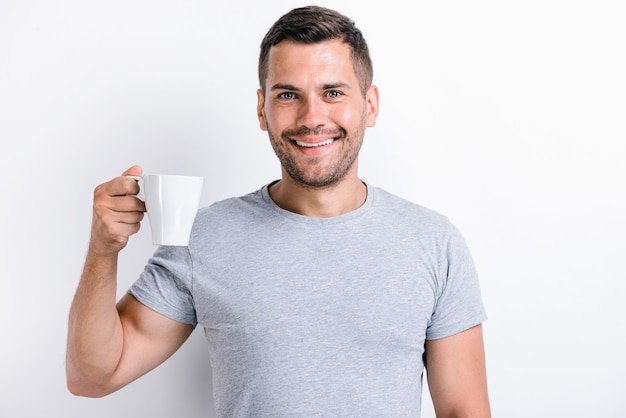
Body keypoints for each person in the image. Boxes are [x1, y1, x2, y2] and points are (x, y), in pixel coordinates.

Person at [66, 5, 491, 417]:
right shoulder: (204, 239)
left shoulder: (434, 243)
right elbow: (93, 377)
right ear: (261, 109)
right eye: (288, 94)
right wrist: (103, 250)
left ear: (370, 104)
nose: (312, 117)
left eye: (333, 93)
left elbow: (462, 411)